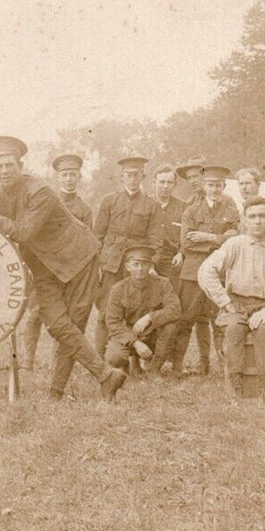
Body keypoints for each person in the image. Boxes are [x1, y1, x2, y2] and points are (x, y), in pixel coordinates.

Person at [0, 136, 126, 401]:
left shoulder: (40, 191)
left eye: (9, 165)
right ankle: (106, 375)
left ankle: (56, 394)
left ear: (20, 165)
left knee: (73, 328)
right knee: (58, 326)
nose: (4, 171)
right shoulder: (0, 192)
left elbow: (23, 232)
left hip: (78, 260)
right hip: (44, 267)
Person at [197, 197, 265, 399]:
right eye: (252, 216)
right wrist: (225, 302)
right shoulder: (234, 245)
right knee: (234, 330)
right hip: (237, 305)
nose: (257, 221)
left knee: (263, 331)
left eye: (262, 216)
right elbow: (205, 271)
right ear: (244, 219)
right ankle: (235, 389)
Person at [166, 163, 240, 375]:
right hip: (193, 274)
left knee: (220, 321)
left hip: (220, 274)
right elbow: (187, 243)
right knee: (186, 319)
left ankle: (226, 369)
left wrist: (208, 237)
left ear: (224, 186)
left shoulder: (232, 212)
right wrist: (221, 239)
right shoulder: (190, 211)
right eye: (210, 185)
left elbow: (235, 241)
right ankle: (177, 367)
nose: (214, 190)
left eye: (218, 185)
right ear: (204, 186)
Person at [19, 153, 91, 370]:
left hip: (69, 271)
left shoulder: (85, 210)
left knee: (63, 321)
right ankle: (28, 362)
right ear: (58, 177)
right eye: (65, 175)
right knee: (34, 316)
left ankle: (55, 364)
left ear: (79, 178)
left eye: (73, 175)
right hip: (43, 269)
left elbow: (86, 244)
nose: (69, 179)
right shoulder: (46, 200)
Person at [93, 156, 160, 358]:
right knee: (106, 312)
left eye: (136, 175)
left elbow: (156, 239)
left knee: (134, 311)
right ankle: (101, 358)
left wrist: (150, 265)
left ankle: (132, 358)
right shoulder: (109, 201)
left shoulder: (151, 205)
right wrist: (99, 264)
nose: (132, 179)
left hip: (137, 265)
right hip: (111, 265)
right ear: (122, 177)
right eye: (128, 175)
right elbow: (98, 235)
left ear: (143, 177)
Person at [102, 243, 182, 381]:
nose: (140, 269)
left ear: (151, 266)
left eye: (144, 264)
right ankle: (129, 366)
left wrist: (150, 317)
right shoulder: (118, 289)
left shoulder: (162, 283)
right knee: (114, 357)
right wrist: (135, 343)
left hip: (152, 332)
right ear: (128, 266)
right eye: (136, 264)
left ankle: (154, 369)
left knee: (170, 327)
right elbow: (113, 323)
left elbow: (175, 310)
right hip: (128, 334)